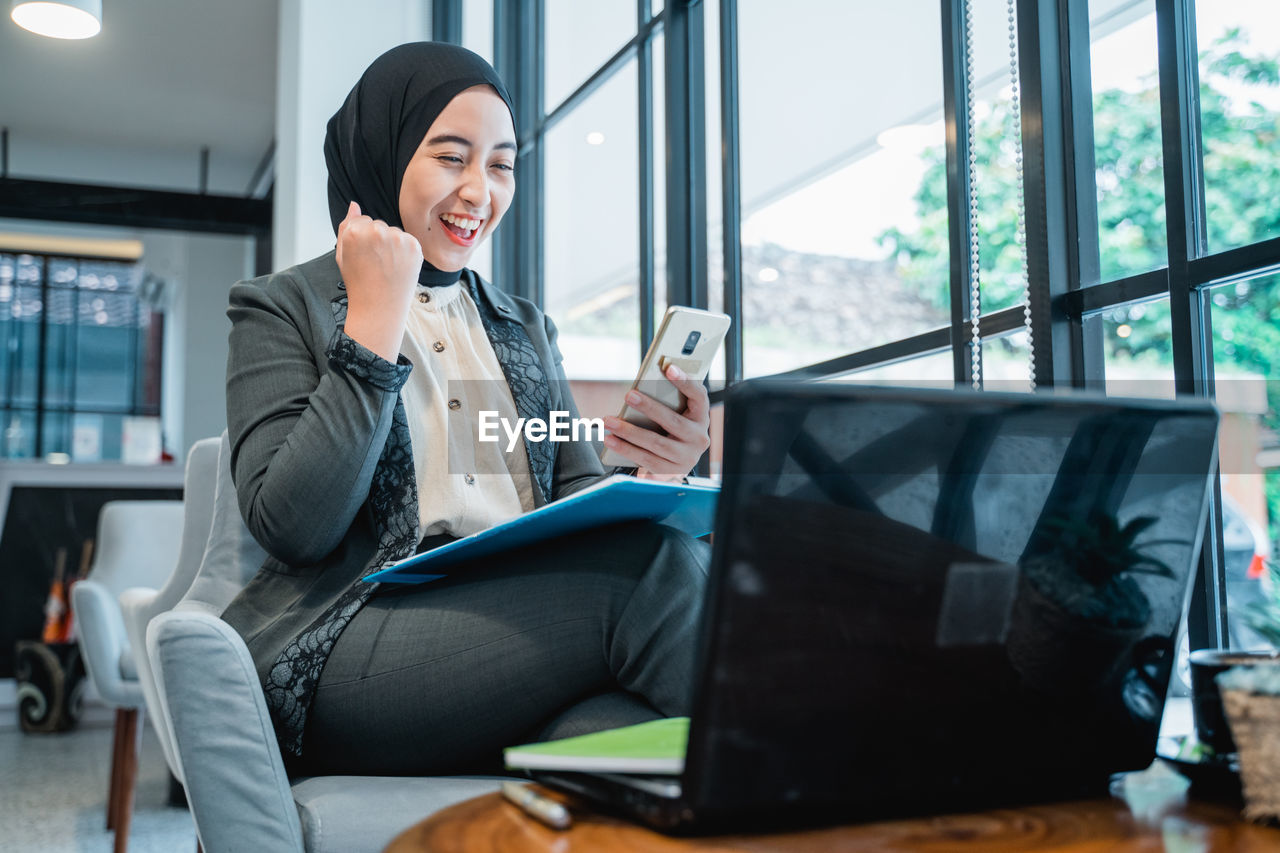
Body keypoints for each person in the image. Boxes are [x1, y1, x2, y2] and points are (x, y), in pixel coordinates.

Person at [219, 42, 713, 776]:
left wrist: (656, 470)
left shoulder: (520, 325)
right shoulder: (281, 305)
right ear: (382, 156)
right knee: (658, 570)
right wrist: (375, 326)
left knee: (625, 733)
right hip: (348, 637)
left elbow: (575, 498)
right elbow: (295, 525)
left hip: (513, 629)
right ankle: (845, 780)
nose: (480, 191)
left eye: (502, 163)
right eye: (452, 158)